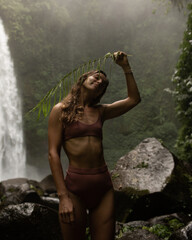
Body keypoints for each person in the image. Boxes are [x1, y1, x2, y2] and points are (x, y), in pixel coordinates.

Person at [48, 51, 141, 240]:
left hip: (103, 187)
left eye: (103, 84)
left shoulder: (102, 111)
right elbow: (53, 154)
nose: (99, 81)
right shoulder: (61, 111)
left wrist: (125, 67)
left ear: (101, 93)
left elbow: (134, 99)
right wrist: (63, 196)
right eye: (96, 77)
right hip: (75, 188)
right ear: (83, 79)